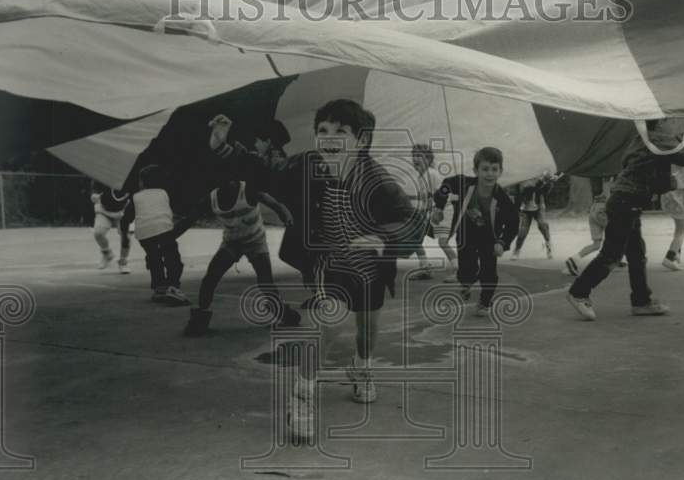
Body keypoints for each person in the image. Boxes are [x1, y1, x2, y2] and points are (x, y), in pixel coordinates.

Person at [208, 100, 420, 443]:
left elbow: (410, 219)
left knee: (368, 329)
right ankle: (303, 395)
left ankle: (361, 368)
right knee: (326, 322)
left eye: (341, 131)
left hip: (370, 267)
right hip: (328, 262)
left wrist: (381, 237)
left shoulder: (378, 179)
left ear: (362, 141)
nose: (329, 138)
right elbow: (266, 168)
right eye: (322, 131)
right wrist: (224, 147)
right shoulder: (307, 165)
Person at [565, 120, 684, 321]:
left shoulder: (641, 141)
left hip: (625, 203)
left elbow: (654, 179)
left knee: (637, 254)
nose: (676, 128)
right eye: (671, 123)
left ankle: (641, 301)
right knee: (612, 254)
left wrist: (679, 178)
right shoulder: (658, 140)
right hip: (625, 205)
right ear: (660, 125)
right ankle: (579, 292)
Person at [184, 179, 301, 336]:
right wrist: (169, 236)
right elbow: (188, 220)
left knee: (265, 282)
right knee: (211, 277)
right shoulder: (211, 199)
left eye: (232, 180)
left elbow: (274, 203)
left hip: (256, 242)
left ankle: (283, 313)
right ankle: (200, 319)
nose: (230, 184)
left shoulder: (249, 190)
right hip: (231, 243)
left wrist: (285, 214)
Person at [432, 147, 519, 318]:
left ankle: (484, 303)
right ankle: (466, 282)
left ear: (500, 171)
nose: (489, 174)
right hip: (466, 234)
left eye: (494, 169)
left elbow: (513, 223)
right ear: (476, 170)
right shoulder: (464, 184)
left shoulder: (502, 198)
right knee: (467, 267)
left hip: (490, 238)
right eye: (485, 169)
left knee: (489, 272)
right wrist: (439, 207)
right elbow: (445, 186)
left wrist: (502, 243)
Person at [132, 164, 190, 306]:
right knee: (173, 258)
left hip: (144, 233)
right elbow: (171, 209)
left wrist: (122, 227)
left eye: (140, 181)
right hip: (163, 229)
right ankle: (173, 286)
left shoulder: (136, 196)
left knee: (154, 258)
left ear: (144, 182)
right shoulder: (163, 193)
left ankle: (159, 288)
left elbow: (129, 214)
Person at [562, 177, 626, 276]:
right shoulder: (609, 179)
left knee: (596, 244)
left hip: (594, 209)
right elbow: (608, 193)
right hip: (603, 209)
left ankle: (573, 260)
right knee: (619, 233)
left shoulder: (597, 177)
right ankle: (614, 259)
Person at [409, 143, 454, 280]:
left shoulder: (432, 174)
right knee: (415, 239)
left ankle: (462, 271)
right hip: (432, 213)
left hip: (442, 212)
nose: (415, 159)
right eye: (414, 156)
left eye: (419, 156)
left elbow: (439, 196)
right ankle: (426, 268)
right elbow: (424, 199)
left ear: (428, 160)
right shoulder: (420, 177)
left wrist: (432, 210)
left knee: (443, 242)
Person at [90, 182, 134, 273]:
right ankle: (107, 254)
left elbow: (133, 200)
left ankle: (123, 262)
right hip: (104, 210)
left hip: (123, 212)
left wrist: (124, 214)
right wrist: (94, 196)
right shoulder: (104, 176)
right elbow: (94, 192)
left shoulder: (130, 180)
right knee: (98, 232)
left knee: (126, 236)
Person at [511, 171, 556, 260]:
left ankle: (548, 245)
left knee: (542, 224)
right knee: (522, 232)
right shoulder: (522, 181)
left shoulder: (538, 177)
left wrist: (550, 182)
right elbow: (529, 190)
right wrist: (542, 181)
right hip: (526, 209)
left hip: (539, 207)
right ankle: (517, 250)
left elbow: (545, 191)